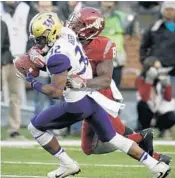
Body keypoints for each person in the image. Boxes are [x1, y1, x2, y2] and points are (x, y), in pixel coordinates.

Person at [16, 12, 170, 178]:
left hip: (77, 104)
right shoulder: (67, 34)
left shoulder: (58, 56)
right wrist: (38, 52)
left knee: (35, 127)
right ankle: (156, 166)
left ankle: (67, 164)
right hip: (91, 97)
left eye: (40, 38)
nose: (38, 42)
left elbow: (55, 92)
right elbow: (58, 54)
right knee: (113, 138)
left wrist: (31, 80)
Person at [66, 7, 171, 163]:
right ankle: (146, 143)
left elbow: (105, 80)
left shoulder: (102, 45)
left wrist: (79, 82)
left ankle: (148, 148)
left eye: (78, 24)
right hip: (84, 95)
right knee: (89, 148)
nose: (73, 27)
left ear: (90, 28)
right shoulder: (68, 41)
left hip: (101, 96)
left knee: (116, 136)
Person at [1, 1, 31, 139]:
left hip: (17, 56)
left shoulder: (25, 8)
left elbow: (30, 32)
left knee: (16, 95)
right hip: (2, 57)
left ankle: (14, 129)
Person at [140, 1, 175, 96]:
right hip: (157, 70)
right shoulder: (154, 27)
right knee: (155, 98)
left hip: (173, 71)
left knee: (171, 99)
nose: (170, 12)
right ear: (163, 11)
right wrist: (147, 63)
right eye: (167, 9)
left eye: (172, 9)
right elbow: (144, 47)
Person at [136, 56, 175, 137]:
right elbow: (144, 98)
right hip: (147, 111)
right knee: (141, 105)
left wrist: (167, 85)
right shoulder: (140, 79)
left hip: (158, 113)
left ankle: (162, 130)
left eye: (159, 68)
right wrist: (149, 80)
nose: (158, 71)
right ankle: (145, 130)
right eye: (155, 68)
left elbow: (168, 98)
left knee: (172, 116)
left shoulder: (161, 80)